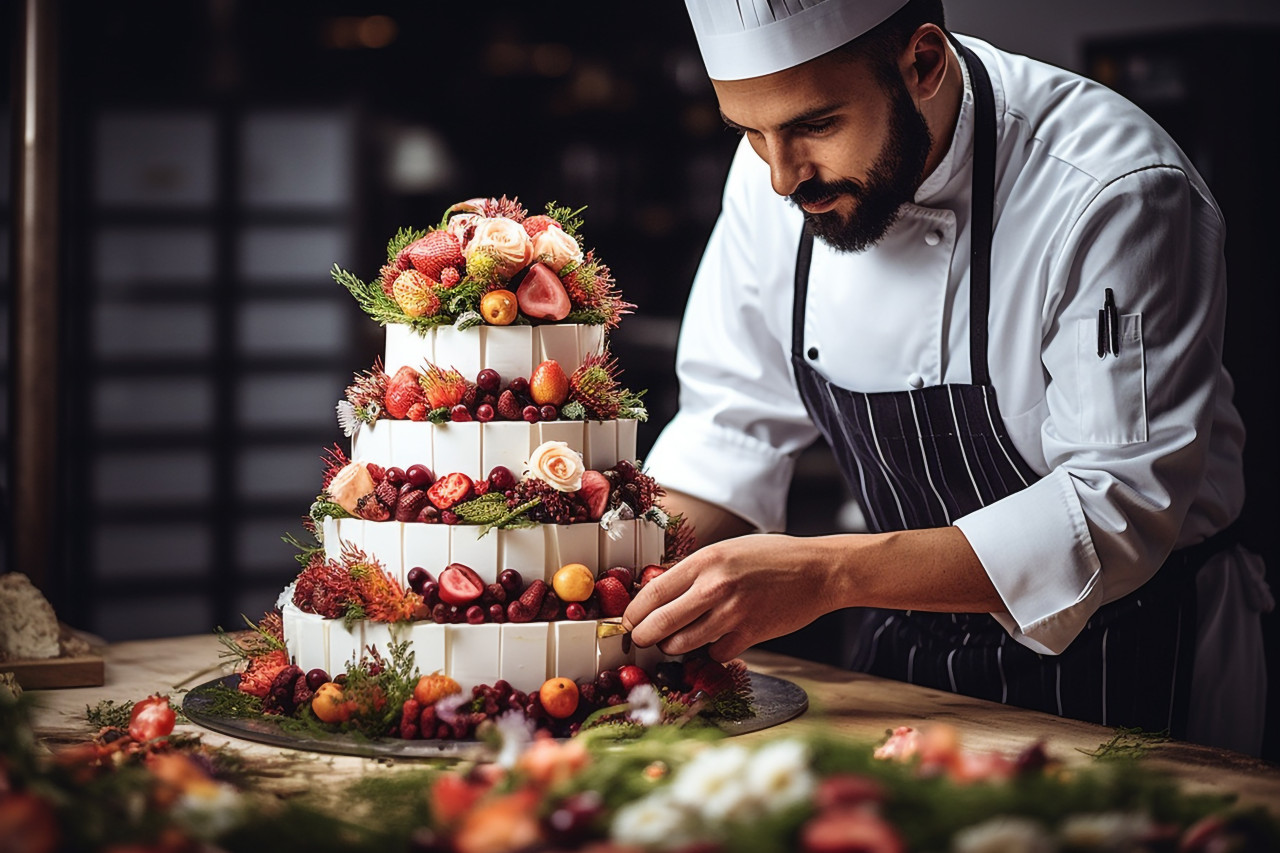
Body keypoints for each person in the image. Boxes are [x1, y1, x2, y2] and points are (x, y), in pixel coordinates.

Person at [624, 0, 1273, 754]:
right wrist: (603, 579)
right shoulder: (777, 172)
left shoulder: (1112, 186)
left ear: (924, 64)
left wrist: (830, 574)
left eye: (814, 125)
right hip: (903, 662)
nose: (779, 178)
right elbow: (728, 429)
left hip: (1130, 655)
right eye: (749, 133)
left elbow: (1118, 507)